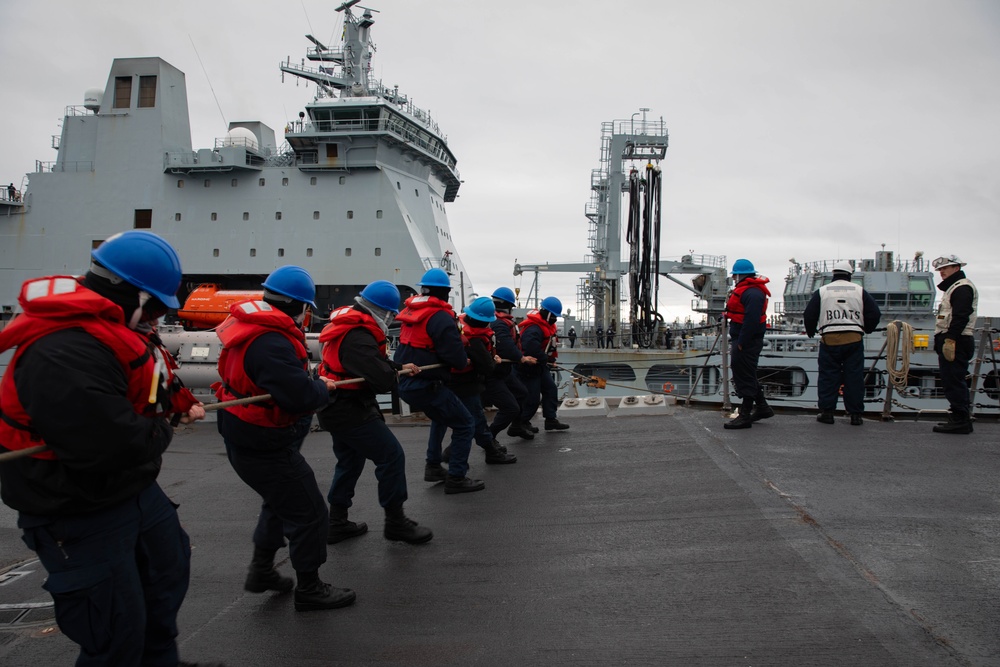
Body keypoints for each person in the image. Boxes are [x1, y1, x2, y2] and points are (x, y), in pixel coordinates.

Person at [0, 230, 211, 667]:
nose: (155, 318)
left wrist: (176, 403)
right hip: (75, 505)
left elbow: (145, 387)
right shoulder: (64, 351)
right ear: (126, 294)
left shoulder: (112, 331)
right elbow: (112, 445)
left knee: (165, 577)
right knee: (114, 629)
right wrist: (165, 426)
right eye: (152, 306)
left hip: (129, 490)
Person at [214, 265, 355, 612]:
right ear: (300, 307)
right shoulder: (272, 342)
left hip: (245, 432)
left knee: (279, 502)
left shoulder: (253, 330)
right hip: (266, 442)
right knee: (309, 513)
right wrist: (321, 388)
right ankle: (310, 587)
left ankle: (262, 571)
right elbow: (299, 397)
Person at [316, 280, 433, 545]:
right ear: (381, 311)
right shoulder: (358, 337)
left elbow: (372, 364)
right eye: (390, 314)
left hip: (336, 406)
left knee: (350, 461)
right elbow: (381, 380)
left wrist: (399, 365)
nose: (391, 318)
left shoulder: (351, 328)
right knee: (391, 456)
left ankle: (336, 521)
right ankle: (395, 522)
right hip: (350, 409)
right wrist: (393, 373)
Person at [393, 268, 485, 494]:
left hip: (406, 383)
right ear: (445, 292)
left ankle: (433, 467)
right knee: (465, 424)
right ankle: (456, 477)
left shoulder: (411, 312)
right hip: (427, 384)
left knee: (440, 419)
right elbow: (457, 360)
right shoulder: (441, 316)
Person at [431, 296, 517, 465]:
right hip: (466, 384)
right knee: (473, 422)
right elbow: (487, 367)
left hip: (448, 381)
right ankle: (460, 466)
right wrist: (494, 360)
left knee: (454, 422)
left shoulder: (459, 326)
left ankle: (436, 461)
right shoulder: (475, 339)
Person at [804, 261, 881, 425]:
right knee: (854, 377)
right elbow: (874, 313)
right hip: (854, 339)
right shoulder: (859, 291)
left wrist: (811, 331)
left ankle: (827, 413)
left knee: (828, 377)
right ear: (849, 275)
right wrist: (867, 329)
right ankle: (855, 415)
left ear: (834, 274)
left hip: (829, 339)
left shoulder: (822, 291)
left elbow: (809, 314)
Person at [723, 258, 773, 429]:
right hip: (743, 338)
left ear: (739, 275)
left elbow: (751, 320)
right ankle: (762, 407)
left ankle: (744, 415)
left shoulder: (752, 293)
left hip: (746, 340)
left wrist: (742, 342)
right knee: (747, 373)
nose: (734, 279)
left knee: (743, 375)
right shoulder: (751, 291)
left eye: (735, 276)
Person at [931, 254, 978, 434]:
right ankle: (958, 417)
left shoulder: (962, 288)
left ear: (956, 269)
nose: (941, 272)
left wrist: (950, 338)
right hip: (954, 339)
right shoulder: (954, 288)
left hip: (957, 340)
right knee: (951, 380)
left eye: (945, 268)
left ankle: (961, 421)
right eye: (940, 269)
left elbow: (961, 316)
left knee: (954, 381)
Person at [487, 287, 538, 441]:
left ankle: (516, 426)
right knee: (510, 408)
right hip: (494, 372)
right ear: (508, 306)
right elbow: (505, 345)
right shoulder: (499, 323)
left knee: (521, 393)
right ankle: (489, 437)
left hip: (504, 370)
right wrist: (521, 358)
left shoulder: (498, 321)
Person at [518, 296, 570, 431]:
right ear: (547, 314)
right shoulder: (534, 329)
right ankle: (521, 423)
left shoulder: (545, 326)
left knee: (550, 389)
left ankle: (550, 419)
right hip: (530, 368)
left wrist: (550, 360)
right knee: (532, 398)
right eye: (554, 316)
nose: (555, 319)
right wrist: (545, 359)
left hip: (540, 366)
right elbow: (530, 348)